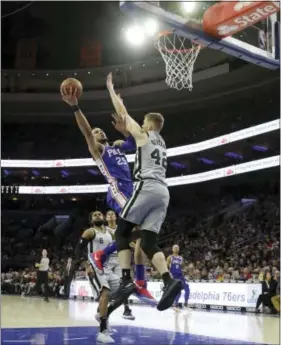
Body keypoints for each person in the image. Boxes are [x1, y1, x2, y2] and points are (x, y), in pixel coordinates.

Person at [61, 87, 155, 306]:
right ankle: (137, 281)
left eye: (101, 130)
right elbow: (85, 131)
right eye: (96, 131)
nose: (99, 131)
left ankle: (114, 264)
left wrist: (124, 132)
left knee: (140, 236)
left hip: (131, 189)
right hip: (117, 191)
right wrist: (75, 106)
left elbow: (136, 144)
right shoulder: (99, 150)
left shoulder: (117, 146)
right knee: (140, 231)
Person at [105, 72, 182, 312]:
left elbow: (124, 116)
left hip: (146, 187)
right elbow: (132, 133)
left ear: (148, 124)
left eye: (144, 122)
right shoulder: (162, 142)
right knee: (149, 242)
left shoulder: (144, 134)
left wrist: (111, 91)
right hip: (163, 194)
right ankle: (169, 280)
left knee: (122, 232)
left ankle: (126, 279)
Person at [75, 211, 119, 343]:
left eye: (100, 214)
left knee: (120, 292)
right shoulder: (90, 232)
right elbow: (78, 249)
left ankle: (100, 314)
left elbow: (117, 247)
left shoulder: (110, 233)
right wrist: (86, 265)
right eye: (95, 215)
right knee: (105, 293)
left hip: (108, 267)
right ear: (91, 220)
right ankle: (103, 331)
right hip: (95, 267)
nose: (98, 216)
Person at [105, 209, 135, 320]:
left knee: (124, 283)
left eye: (112, 214)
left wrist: (134, 246)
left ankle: (126, 309)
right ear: (106, 218)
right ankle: (103, 306)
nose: (111, 215)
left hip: (119, 259)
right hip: (107, 260)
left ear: (116, 217)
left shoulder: (121, 228)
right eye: (108, 214)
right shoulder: (103, 230)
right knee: (105, 285)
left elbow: (128, 241)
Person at [167, 245, 190, 309]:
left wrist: (185, 271)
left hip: (180, 276)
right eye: (175, 248)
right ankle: (176, 303)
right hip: (173, 276)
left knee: (187, 288)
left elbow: (182, 267)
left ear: (179, 249)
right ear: (172, 249)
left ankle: (186, 302)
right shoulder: (170, 257)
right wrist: (168, 275)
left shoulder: (181, 258)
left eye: (177, 248)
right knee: (178, 291)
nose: (176, 248)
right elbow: (166, 267)